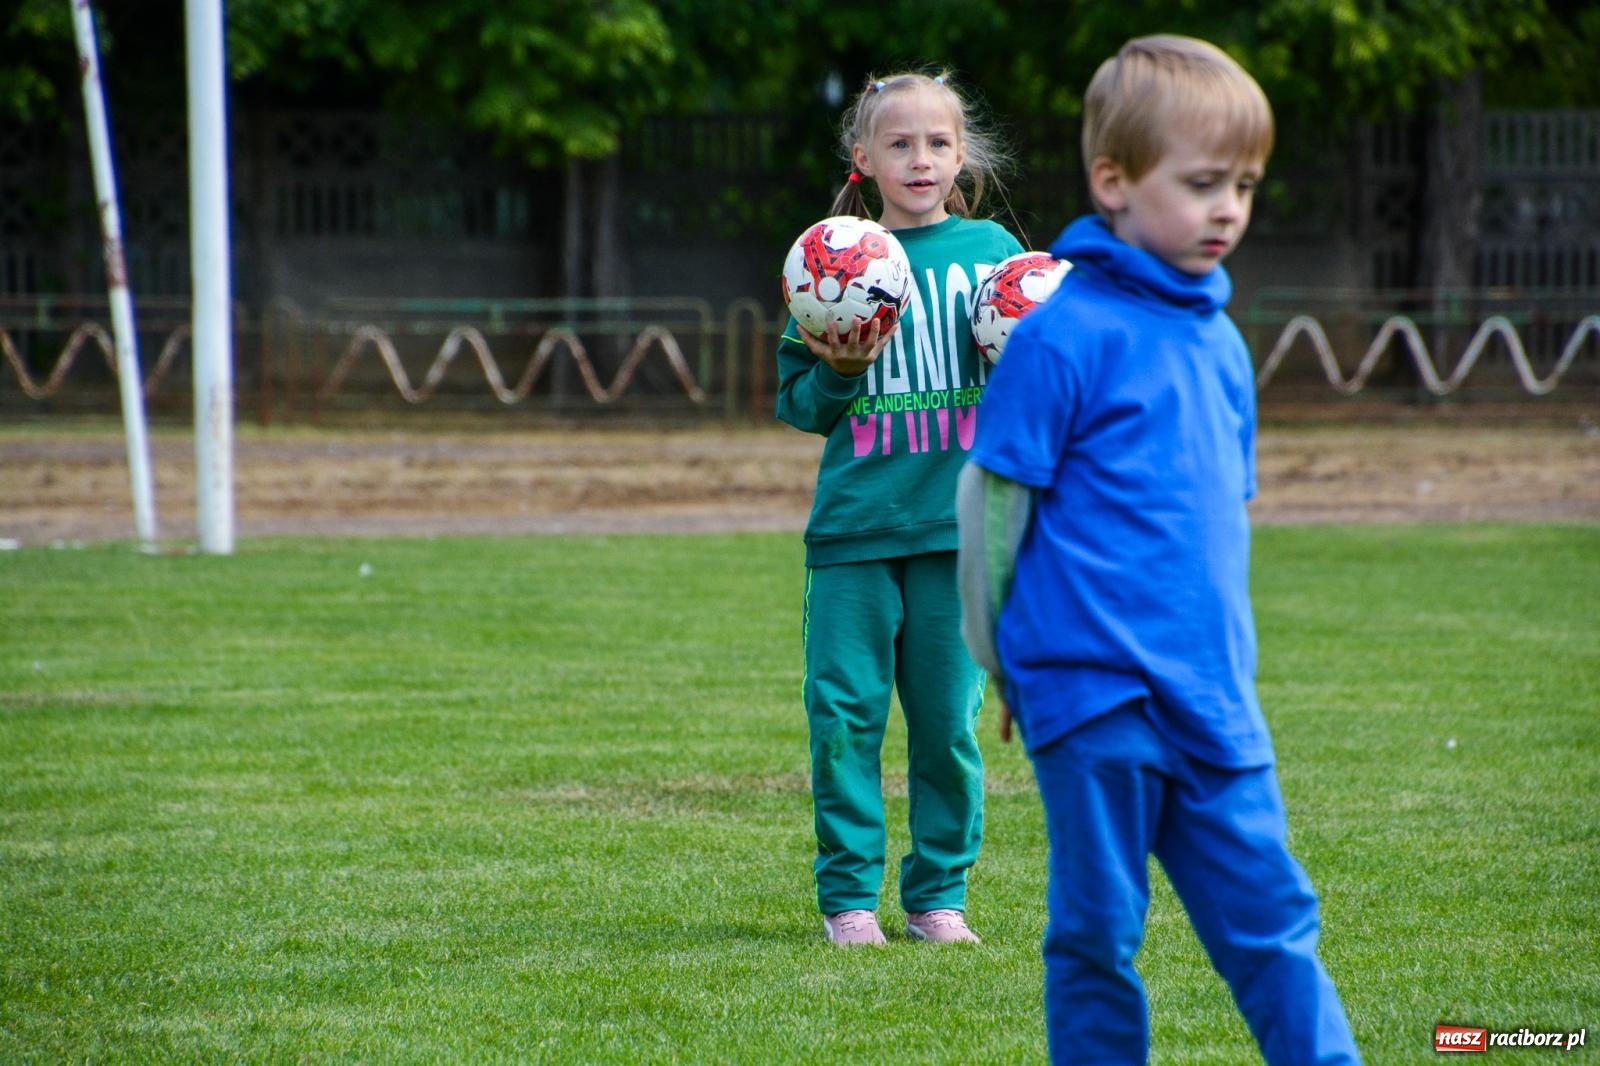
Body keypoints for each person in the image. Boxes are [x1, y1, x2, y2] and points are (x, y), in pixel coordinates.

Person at [957, 35, 1362, 1062]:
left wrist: (1229, 669)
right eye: (1201, 184)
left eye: (1244, 185)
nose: (1227, 207)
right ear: (1114, 182)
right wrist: (1002, 661)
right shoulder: (1059, 335)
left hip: (1215, 705)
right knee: (1096, 936)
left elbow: (1215, 533)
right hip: (1091, 697)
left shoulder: (1223, 344)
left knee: (1274, 923)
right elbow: (987, 507)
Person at [776, 70, 1022, 947]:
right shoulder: (830, 261)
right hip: (853, 534)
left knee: (948, 731)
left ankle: (937, 899)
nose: (922, 159)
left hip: (958, 533)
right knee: (843, 717)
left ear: (962, 156)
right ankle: (849, 901)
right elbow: (798, 404)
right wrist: (839, 371)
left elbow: (1039, 381)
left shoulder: (994, 253)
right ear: (864, 158)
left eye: (939, 143)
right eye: (900, 143)